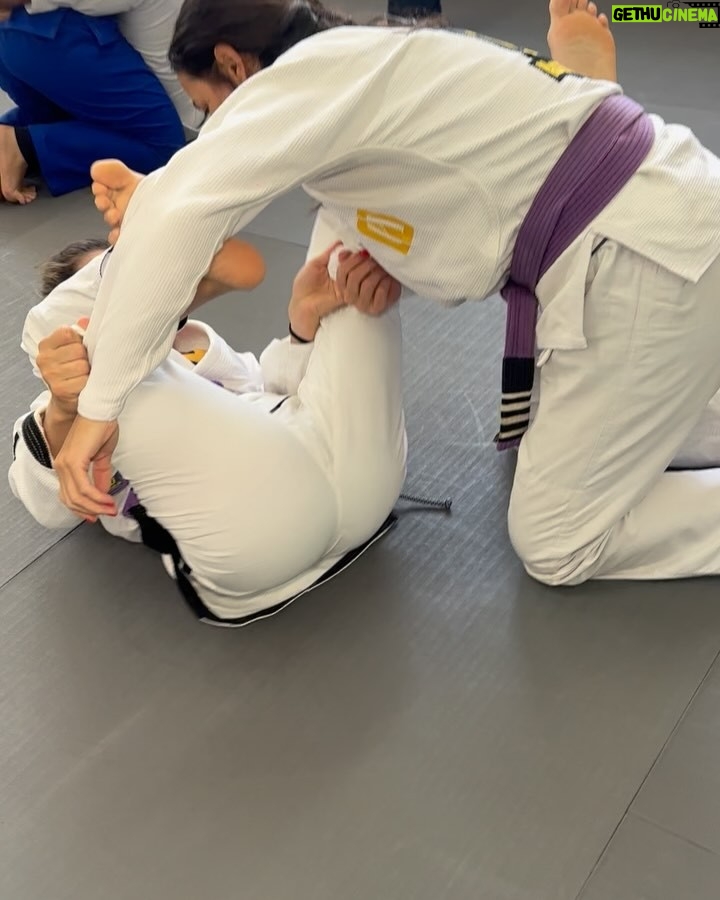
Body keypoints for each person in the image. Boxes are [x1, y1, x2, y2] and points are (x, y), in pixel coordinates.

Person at [54, 0, 720, 587]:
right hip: (673, 208)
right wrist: (164, 195)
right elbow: (473, 209)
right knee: (576, 443)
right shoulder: (378, 56)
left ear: (233, 63)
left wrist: (99, 407)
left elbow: (185, 213)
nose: (212, 127)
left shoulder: (304, 76)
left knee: (556, 541)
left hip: (646, 266)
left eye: (207, 108)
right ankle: (591, 86)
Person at [10, 226, 407, 624]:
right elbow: (49, 509)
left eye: (138, 290)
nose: (137, 303)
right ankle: (151, 249)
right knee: (98, 366)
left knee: (347, 267)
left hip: (366, 484)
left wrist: (302, 325)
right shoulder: (52, 411)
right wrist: (64, 409)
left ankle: (355, 203)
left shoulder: (197, 345)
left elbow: (267, 397)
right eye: (120, 295)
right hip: (260, 537)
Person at [0, 0, 186, 202]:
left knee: (62, 116)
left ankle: (9, 142)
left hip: (23, 36)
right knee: (164, 147)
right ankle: (21, 145)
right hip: (46, 37)